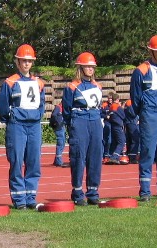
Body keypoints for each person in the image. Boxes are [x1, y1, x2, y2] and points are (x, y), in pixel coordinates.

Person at [0, 44, 45, 210]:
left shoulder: (38, 83)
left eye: (29, 61)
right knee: (16, 161)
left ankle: (31, 196)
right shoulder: (10, 82)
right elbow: (2, 106)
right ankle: (19, 199)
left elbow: (42, 104)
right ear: (18, 62)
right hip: (17, 126)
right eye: (23, 61)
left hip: (34, 125)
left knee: (34, 161)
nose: (26, 64)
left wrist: (37, 116)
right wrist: (10, 118)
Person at [130, 35, 157, 202]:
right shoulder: (141, 70)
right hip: (149, 113)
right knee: (148, 151)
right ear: (151, 51)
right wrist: (140, 113)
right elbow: (135, 96)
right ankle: (145, 191)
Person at [62, 52, 103, 206]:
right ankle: (78, 192)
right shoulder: (72, 87)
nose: (90, 69)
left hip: (95, 121)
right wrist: (71, 126)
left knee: (95, 156)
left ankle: (93, 192)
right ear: (80, 67)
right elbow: (66, 110)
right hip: (79, 120)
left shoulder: (98, 86)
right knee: (79, 156)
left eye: (92, 66)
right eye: (87, 66)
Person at [107, 93, 126, 165]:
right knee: (121, 142)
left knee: (114, 142)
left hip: (113, 125)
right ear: (118, 99)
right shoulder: (118, 107)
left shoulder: (111, 106)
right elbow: (123, 116)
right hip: (118, 126)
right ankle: (114, 156)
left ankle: (111, 156)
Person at [49, 102, 67, 167]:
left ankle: (57, 160)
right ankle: (59, 161)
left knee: (62, 143)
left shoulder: (62, 108)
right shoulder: (58, 107)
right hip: (59, 128)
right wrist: (57, 123)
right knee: (60, 143)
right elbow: (53, 115)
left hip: (62, 127)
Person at [123, 100, 140, 164]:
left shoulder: (127, 103)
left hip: (128, 123)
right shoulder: (130, 103)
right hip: (132, 123)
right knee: (135, 140)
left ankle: (130, 156)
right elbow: (133, 114)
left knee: (129, 140)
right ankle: (133, 157)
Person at [101, 93, 113, 163]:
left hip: (114, 124)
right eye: (109, 99)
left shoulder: (114, 105)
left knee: (112, 141)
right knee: (107, 140)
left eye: (111, 99)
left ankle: (110, 154)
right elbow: (100, 113)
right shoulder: (104, 105)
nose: (110, 100)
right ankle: (105, 155)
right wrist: (106, 116)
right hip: (107, 124)